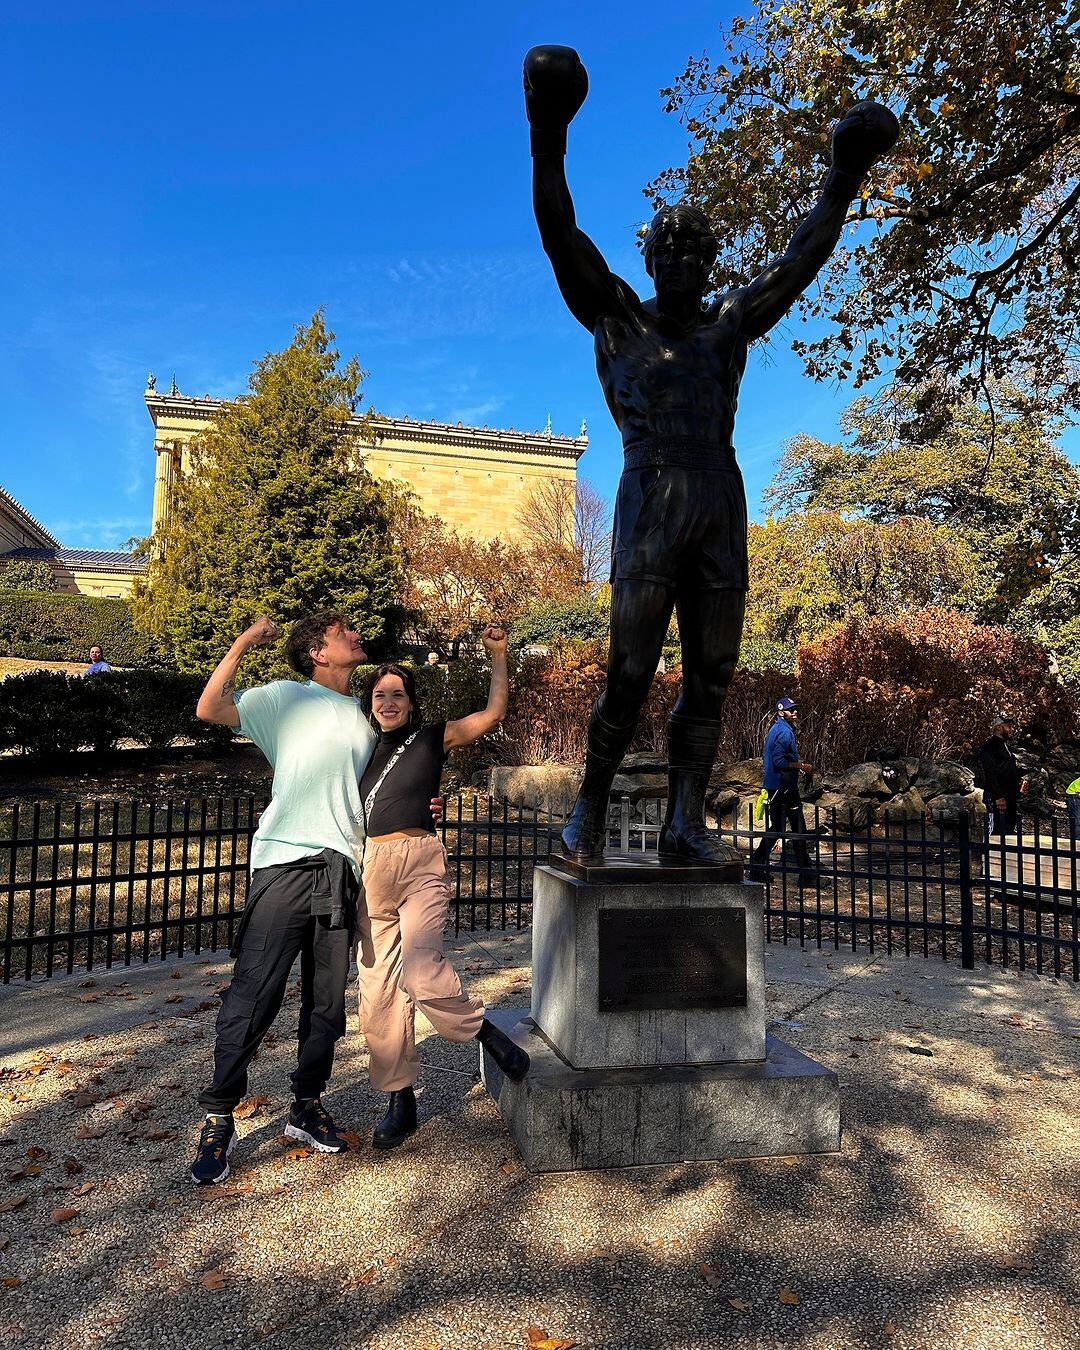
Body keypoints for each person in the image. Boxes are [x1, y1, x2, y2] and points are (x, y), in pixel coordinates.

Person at [522, 45, 899, 865]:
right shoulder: (618, 317)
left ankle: (686, 821)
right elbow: (560, 232)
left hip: (719, 495)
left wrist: (843, 173)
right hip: (651, 489)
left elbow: (800, 260)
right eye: (673, 252)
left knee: (714, 674)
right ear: (652, 259)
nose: (688, 264)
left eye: (701, 253)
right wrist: (546, 130)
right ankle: (588, 809)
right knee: (628, 671)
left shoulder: (729, 327)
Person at [187, 612, 441, 1185]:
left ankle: (306, 1105)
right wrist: (246, 641)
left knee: (326, 1005)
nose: (356, 635)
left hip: (343, 869)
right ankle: (219, 1115)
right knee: (255, 994)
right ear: (318, 653)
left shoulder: (366, 714)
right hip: (284, 861)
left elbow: (392, 777)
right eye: (343, 633)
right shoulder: (283, 699)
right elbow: (210, 707)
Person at [357, 625, 529, 1151]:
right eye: (380, 694)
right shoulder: (354, 747)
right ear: (369, 704)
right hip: (368, 870)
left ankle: (484, 1033)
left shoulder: (432, 736)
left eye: (398, 694)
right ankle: (400, 1098)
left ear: (412, 702)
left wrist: (498, 654)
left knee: (422, 969)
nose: (389, 702)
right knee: (377, 993)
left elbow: (492, 713)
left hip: (420, 862)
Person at [747, 697, 817, 883]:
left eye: (795, 708)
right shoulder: (785, 732)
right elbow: (778, 761)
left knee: (777, 827)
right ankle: (806, 874)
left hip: (774, 786)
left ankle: (757, 866)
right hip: (784, 786)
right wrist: (802, 766)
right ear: (780, 712)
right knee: (798, 828)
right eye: (790, 709)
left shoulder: (776, 729)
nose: (794, 711)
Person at [979, 716, 1020, 837]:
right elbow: (990, 774)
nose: (1011, 729)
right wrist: (998, 797)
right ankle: (990, 855)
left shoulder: (1006, 747)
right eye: (1008, 726)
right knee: (996, 832)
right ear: (998, 728)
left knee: (1008, 832)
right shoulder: (989, 748)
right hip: (996, 798)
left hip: (1010, 797)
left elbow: (1007, 769)